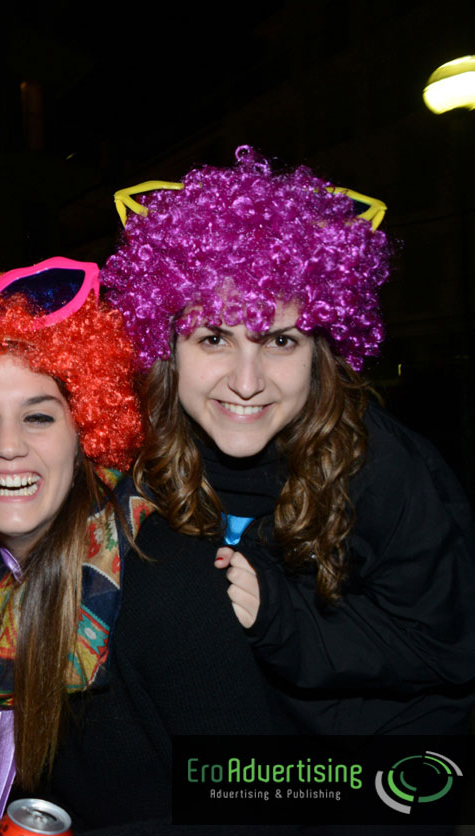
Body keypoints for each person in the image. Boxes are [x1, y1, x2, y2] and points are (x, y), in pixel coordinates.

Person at [0, 258, 297, 835]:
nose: (9, 446)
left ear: (85, 432)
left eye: (39, 417)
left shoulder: (166, 576)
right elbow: (8, 753)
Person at [102, 147, 475, 737]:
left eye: (280, 342)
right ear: (166, 347)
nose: (247, 384)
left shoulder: (383, 470)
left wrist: (280, 618)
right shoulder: (131, 455)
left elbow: (447, 651)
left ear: (320, 352)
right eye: (214, 338)